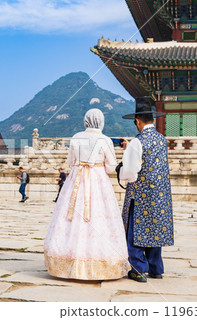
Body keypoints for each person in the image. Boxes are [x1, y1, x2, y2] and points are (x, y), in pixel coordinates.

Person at [44, 108, 130, 280]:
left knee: (72, 218)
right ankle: (100, 262)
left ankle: (69, 261)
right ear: (101, 121)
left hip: (77, 179)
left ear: (86, 120)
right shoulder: (105, 140)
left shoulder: (76, 137)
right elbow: (111, 167)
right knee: (100, 218)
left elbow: (70, 161)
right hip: (98, 181)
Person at [117, 97, 174, 283]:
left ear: (138, 121)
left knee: (136, 231)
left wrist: (121, 169)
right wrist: (130, 149)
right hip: (160, 193)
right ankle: (156, 268)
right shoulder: (162, 140)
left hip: (140, 194)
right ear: (154, 120)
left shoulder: (137, 142)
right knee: (155, 229)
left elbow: (131, 172)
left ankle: (139, 269)